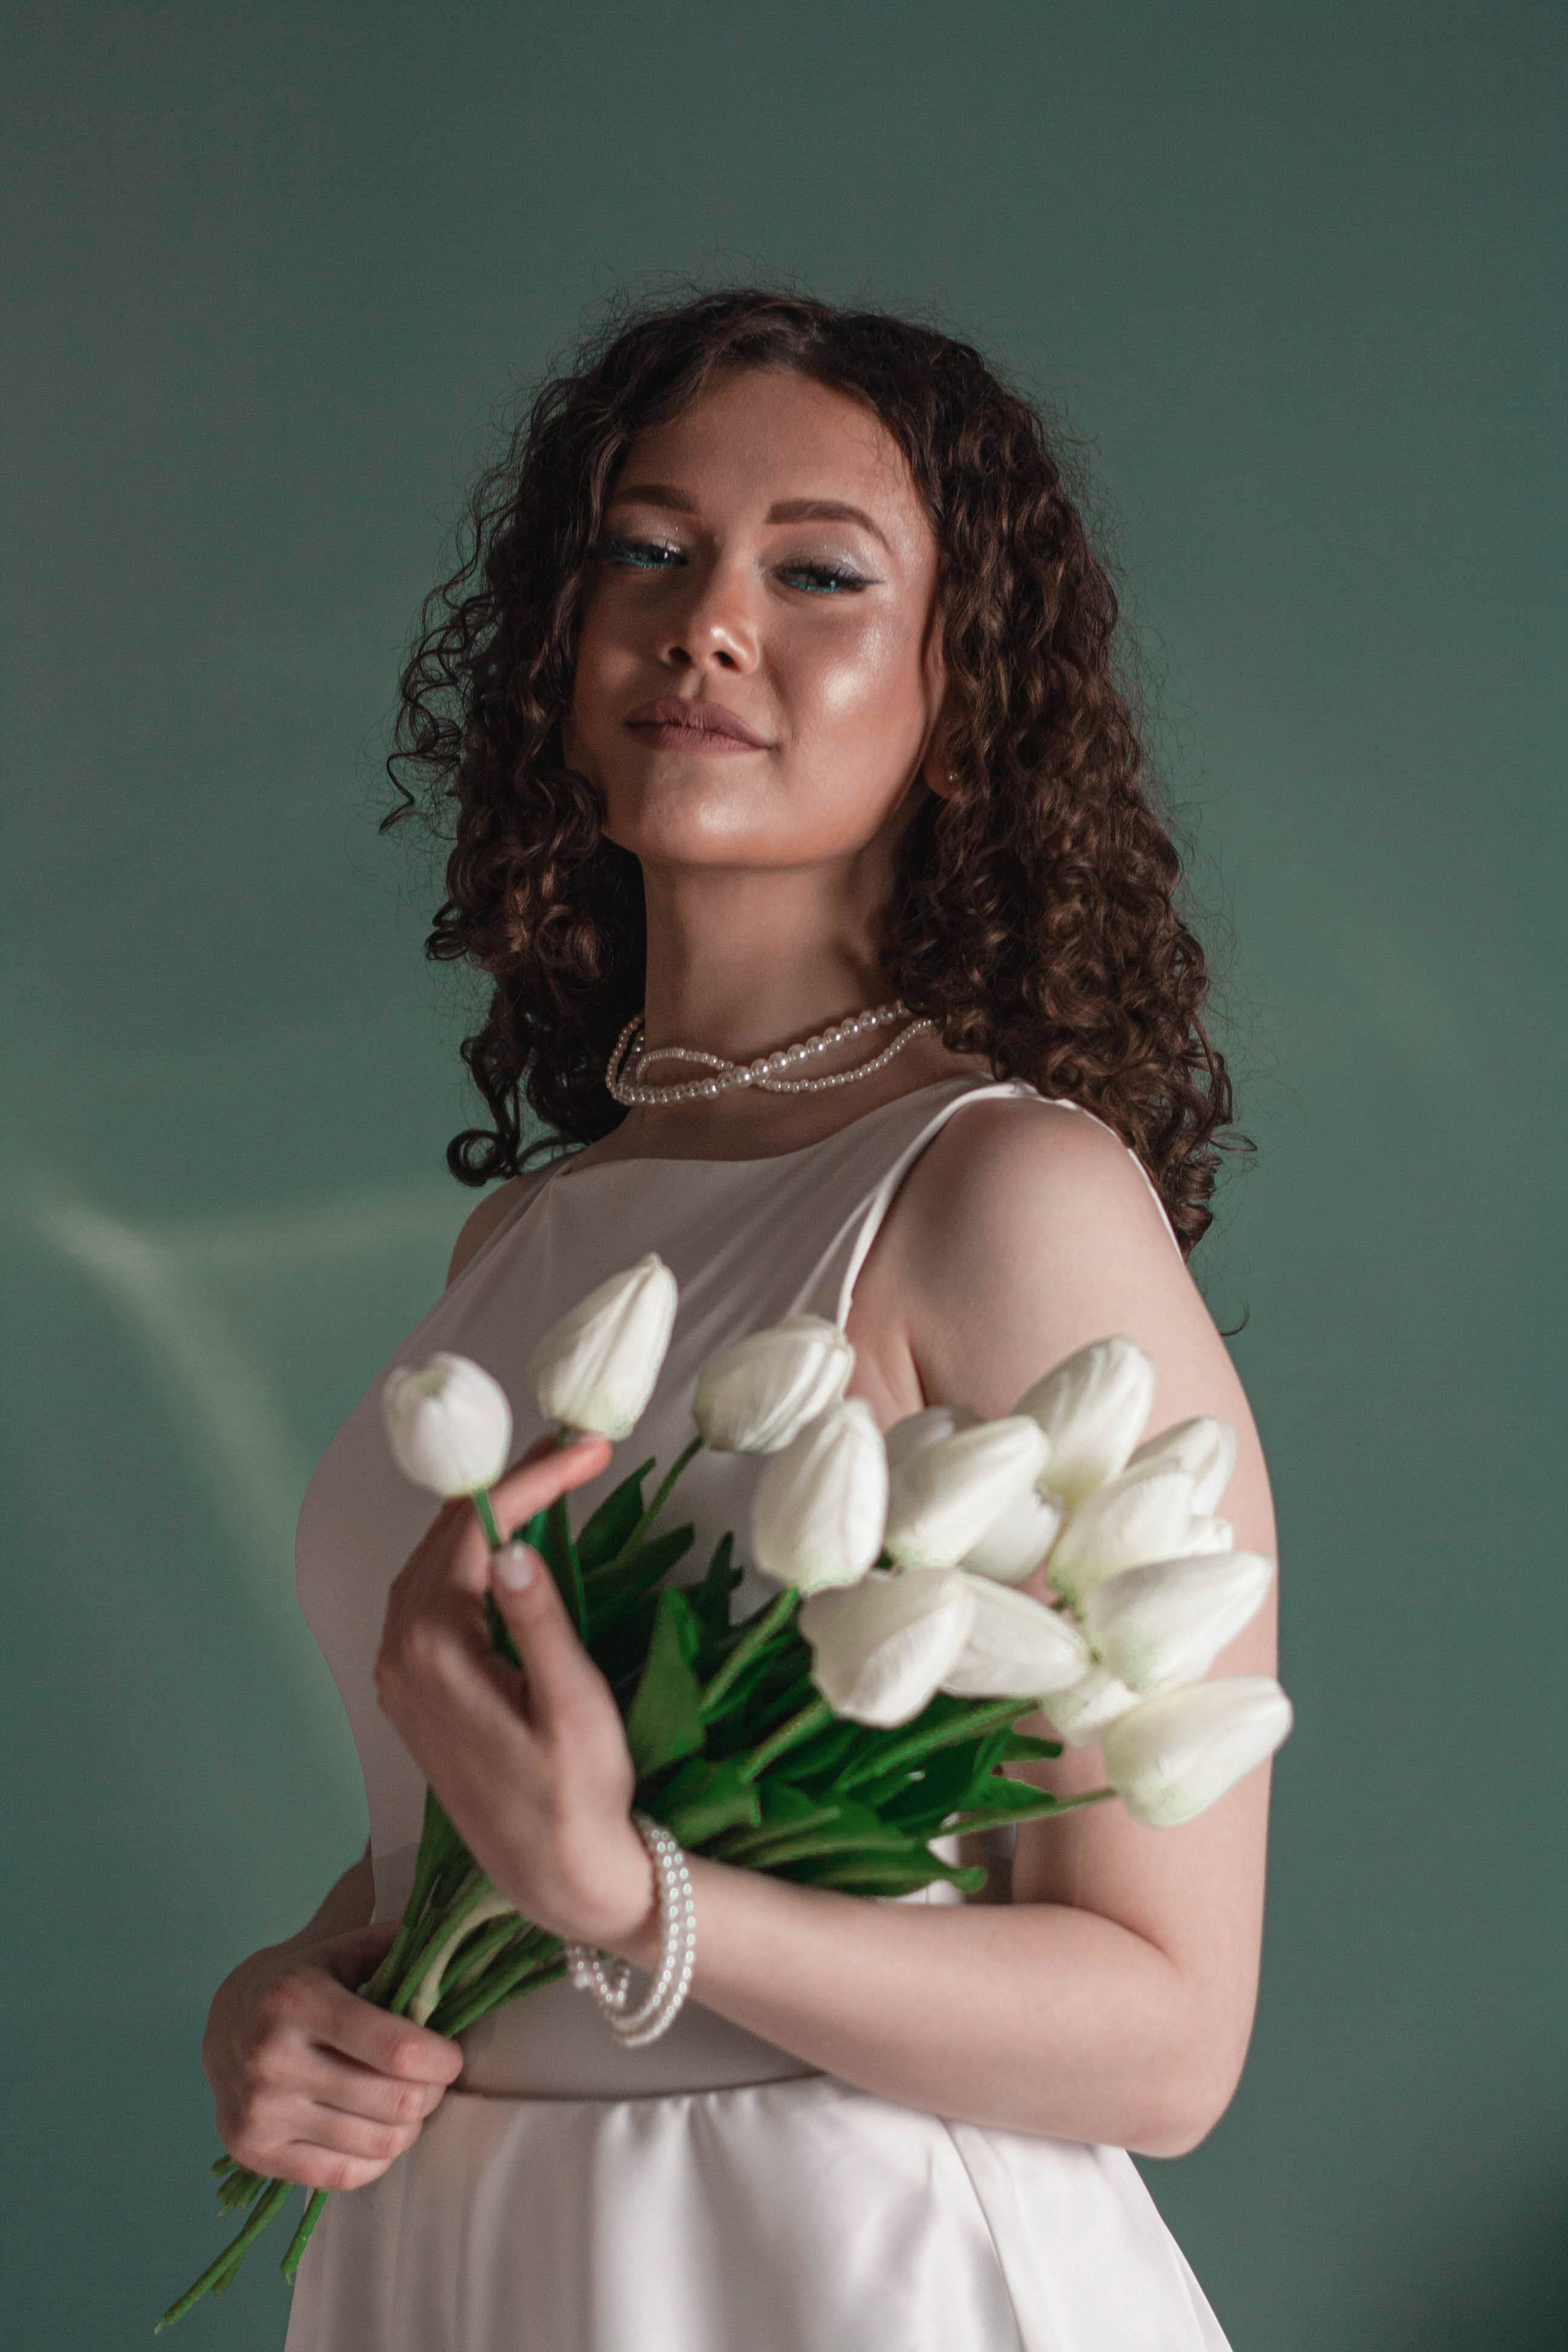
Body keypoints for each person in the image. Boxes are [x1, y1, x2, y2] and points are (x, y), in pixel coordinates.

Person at [202, 287, 1277, 2351]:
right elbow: (470, 1836)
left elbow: (1168, 2037)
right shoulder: (524, 1235)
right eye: (648, 550)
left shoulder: (1003, 1194)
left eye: (819, 573)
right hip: (462, 2261)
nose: (706, 624)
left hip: (841, 2268)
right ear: (559, 651)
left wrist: (637, 1903)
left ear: (966, 689)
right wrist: (302, 1992)